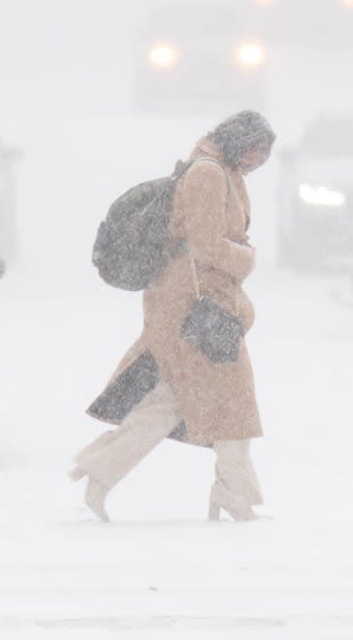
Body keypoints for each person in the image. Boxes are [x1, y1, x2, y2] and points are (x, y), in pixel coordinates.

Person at [70, 110, 275, 522]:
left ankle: (102, 473)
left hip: (199, 307)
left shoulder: (222, 172)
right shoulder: (208, 176)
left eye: (262, 154)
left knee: (172, 403)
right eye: (253, 150)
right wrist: (247, 258)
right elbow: (207, 246)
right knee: (229, 407)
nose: (256, 160)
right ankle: (232, 493)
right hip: (194, 312)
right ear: (237, 141)